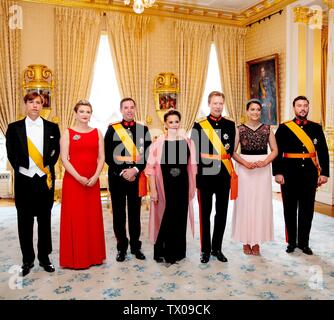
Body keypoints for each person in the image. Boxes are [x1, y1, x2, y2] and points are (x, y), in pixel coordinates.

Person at [6, 92, 60, 276]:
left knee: (45, 221)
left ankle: (45, 258)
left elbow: (56, 152)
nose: (35, 106)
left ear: (42, 105)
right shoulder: (13, 128)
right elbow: (11, 154)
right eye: (31, 102)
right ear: (25, 104)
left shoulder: (53, 127)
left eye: (38, 102)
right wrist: (25, 170)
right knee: (24, 222)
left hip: (44, 181)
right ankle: (27, 260)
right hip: (24, 181)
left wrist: (43, 168)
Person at [272, 96, 329, 255]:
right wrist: (277, 172)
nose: (303, 108)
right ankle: (291, 242)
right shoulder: (284, 128)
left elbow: (323, 151)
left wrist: (324, 173)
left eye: (305, 106)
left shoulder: (316, 128)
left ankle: (304, 242)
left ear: (308, 108)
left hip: (309, 174)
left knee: (307, 209)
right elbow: (277, 152)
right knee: (289, 209)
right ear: (294, 108)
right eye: (299, 106)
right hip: (289, 174)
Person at [145, 110, 197, 264]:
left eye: (176, 121)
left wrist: (192, 187)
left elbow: (193, 167)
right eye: (171, 122)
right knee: (165, 217)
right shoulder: (158, 143)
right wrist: (153, 189)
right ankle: (162, 251)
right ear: (165, 124)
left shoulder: (188, 142)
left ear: (179, 123)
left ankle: (178, 252)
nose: (174, 125)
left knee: (180, 217)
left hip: (182, 185)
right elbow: (151, 169)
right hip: (164, 186)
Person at [191, 91, 237, 263]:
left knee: (222, 213)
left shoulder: (230, 125)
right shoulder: (199, 125)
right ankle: (205, 249)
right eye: (215, 103)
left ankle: (217, 248)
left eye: (220, 103)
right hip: (205, 175)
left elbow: (230, 150)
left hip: (223, 175)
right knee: (205, 213)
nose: (218, 106)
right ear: (209, 104)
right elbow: (194, 154)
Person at [59, 100, 106, 269]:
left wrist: (96, 175)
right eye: (82, 111)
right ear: (75, 113)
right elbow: (64, 159)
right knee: (76, 218)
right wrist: (78, 177)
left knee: (91, 219)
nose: (85, 115)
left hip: (92, 181)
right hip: (74, 181)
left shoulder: (97, 133)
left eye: (88, 112)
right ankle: (75, 258)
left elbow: (101, 157)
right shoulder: (67, 133)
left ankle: (94, 256)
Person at [104, 97, 152, 262]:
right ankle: (121, 247)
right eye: (126, 107)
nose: (129, 110)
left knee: (135, 213)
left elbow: (147, 154)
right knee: (118, 214)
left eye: (132, 107)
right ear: (121, 110)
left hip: (136, 177)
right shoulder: (112, 129)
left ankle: (135, 247)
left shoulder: (143, 129)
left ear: (135, 109)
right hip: (117, 177)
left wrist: (135, 170)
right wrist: (123, 171)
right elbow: (108, 155)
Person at [231, 99, 278, 255]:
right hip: (244, 169)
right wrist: (244, 163)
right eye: (252, 109)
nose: (255, 112)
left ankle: (257, 241)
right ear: (247, 111)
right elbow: (232, 151)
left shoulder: (267, 129)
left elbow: (275, 150)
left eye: (258, 109)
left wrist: (265, 162)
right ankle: (245, 241)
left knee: (260, 204)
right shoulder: (239, 129)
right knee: (245, 203)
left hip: (262, 169)